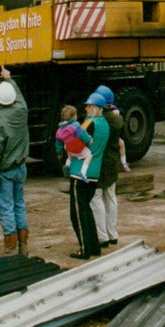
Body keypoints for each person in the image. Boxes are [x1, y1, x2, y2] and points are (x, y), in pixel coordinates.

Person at [0, 65, 30, 255]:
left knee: (6, 208)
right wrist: (9, 78)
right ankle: (23, 245)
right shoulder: (22, 110)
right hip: (21, 168)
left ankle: (10, 247)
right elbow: (18, 96)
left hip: (4, 171)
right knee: (19, 205)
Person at [67, 92, 109, 260]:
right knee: (87, 209)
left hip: (80, 172)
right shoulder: (105, 124)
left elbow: (75, 145)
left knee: (78, 212)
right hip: (94, 171)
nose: (85, 109)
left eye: (88, 106)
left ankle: (85, 248)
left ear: (94, 108)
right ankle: (94, 246)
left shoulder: (88, 123)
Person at [89, 85, 128, 249]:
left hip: (98, 163)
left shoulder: (96, 121)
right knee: (111, 197)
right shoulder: (117, 119)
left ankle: (102, 236)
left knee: (96, 198)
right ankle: (113, 234)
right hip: (112, 162)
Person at [55, 104, 93, 182]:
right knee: (89, 155)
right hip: (76, 147)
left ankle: (67, 165)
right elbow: (82, 135)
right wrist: (89, 141)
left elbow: (58, 142)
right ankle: (83, 172)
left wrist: (59, 152)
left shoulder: (59, 129)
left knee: (70, 156)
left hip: (68, 147)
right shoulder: (75, 125)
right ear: (73, 116)